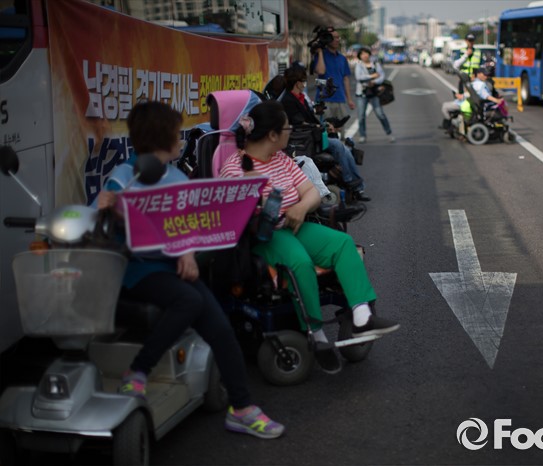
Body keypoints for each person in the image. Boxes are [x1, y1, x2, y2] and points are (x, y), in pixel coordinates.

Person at [96, 101, 284, 439]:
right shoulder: (124, 176)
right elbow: (112, 217)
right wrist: (108, 205)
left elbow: (186, 226)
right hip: (139, 269)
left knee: (221, 328)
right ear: (162, 137)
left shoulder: (177, 176)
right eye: (176, 132)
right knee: (190, 301)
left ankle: (241, 408)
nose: (181, 139)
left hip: (171, 266)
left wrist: (186, 253)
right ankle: (138, 372)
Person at [219, 100, 399, 374]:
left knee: (343, 243)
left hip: (297, 224)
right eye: (287, 128)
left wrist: (301, 208)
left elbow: (312, 192)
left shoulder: (282, 159)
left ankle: (362, 317)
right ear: (272, 135)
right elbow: (238, 217)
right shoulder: (235, 169)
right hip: (265, 236)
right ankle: (316, 333)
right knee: (299, 262)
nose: (290, 131)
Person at [280, 66, 371, 201]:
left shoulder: (301, 98)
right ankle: (349, 181)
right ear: (297, 83)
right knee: (337, 145)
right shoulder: (288, 100)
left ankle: (357, 186)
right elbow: (299, 122)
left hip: (313, 135)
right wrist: (319, 127)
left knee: (346, 148)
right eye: (303, 80)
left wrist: (322, 122)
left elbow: (309, 117)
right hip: (304, 139)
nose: (305, 83)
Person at [311, 26, 355, 121]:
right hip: (323, 99)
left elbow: (346, 79)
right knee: (324, 128)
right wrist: (320, 52)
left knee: (340, 128)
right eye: (334, 37)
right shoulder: (320, 55)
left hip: (340, 98)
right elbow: (321, 71)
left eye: (338, 37)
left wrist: (349, 99)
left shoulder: (342, 58)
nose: (337, 40)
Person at [354, 47, 395, 144]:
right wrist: (372, 76)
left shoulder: (376, 64)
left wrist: (374, 82)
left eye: (366, 53)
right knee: (361, 116)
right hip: (362, 93)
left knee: (380, 114)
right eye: (362, 54)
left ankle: (389, 133)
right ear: (360, 56)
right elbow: (359, 77)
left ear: (369, 54)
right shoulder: (359, 66)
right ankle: (362, 135)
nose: (365, 55)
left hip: (374, 93)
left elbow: (381, 76)